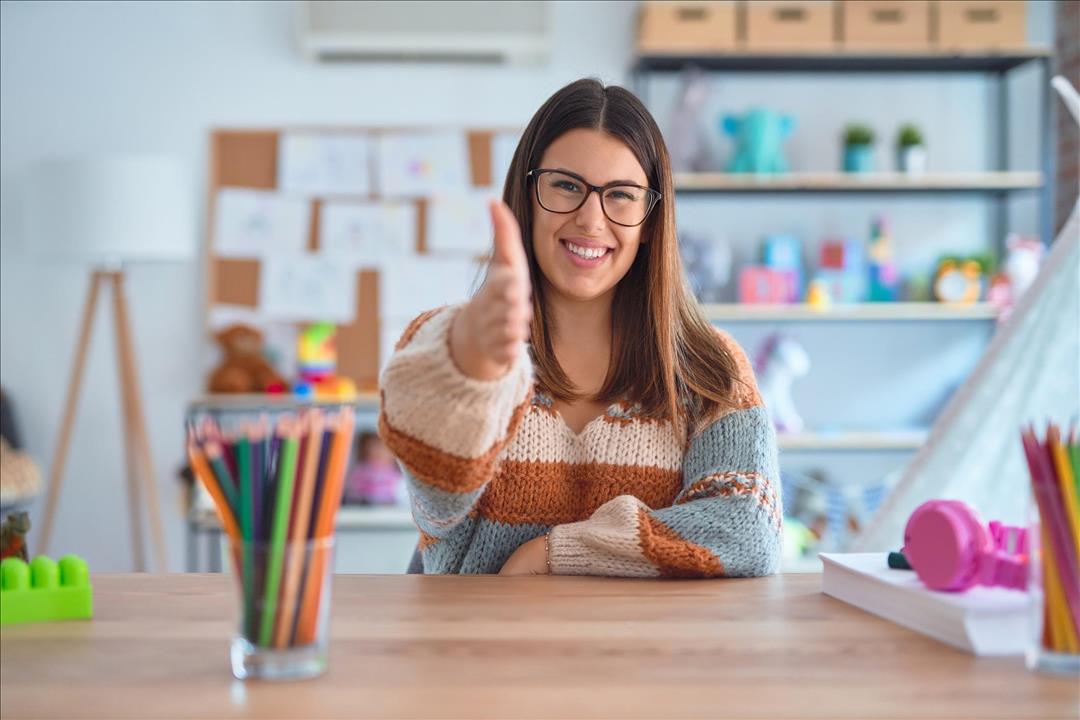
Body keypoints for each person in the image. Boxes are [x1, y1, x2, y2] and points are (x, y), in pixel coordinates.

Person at [378, 78, 781, 576]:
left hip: (646, 651)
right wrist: (473, 364)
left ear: (651, 220)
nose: (591, 219)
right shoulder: (453, 345)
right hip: (479, 647)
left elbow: (749, 529)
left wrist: (555, 554)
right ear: (528, 195)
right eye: (566, 186)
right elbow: (438, 499)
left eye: (621, 195)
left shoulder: (709, 367)